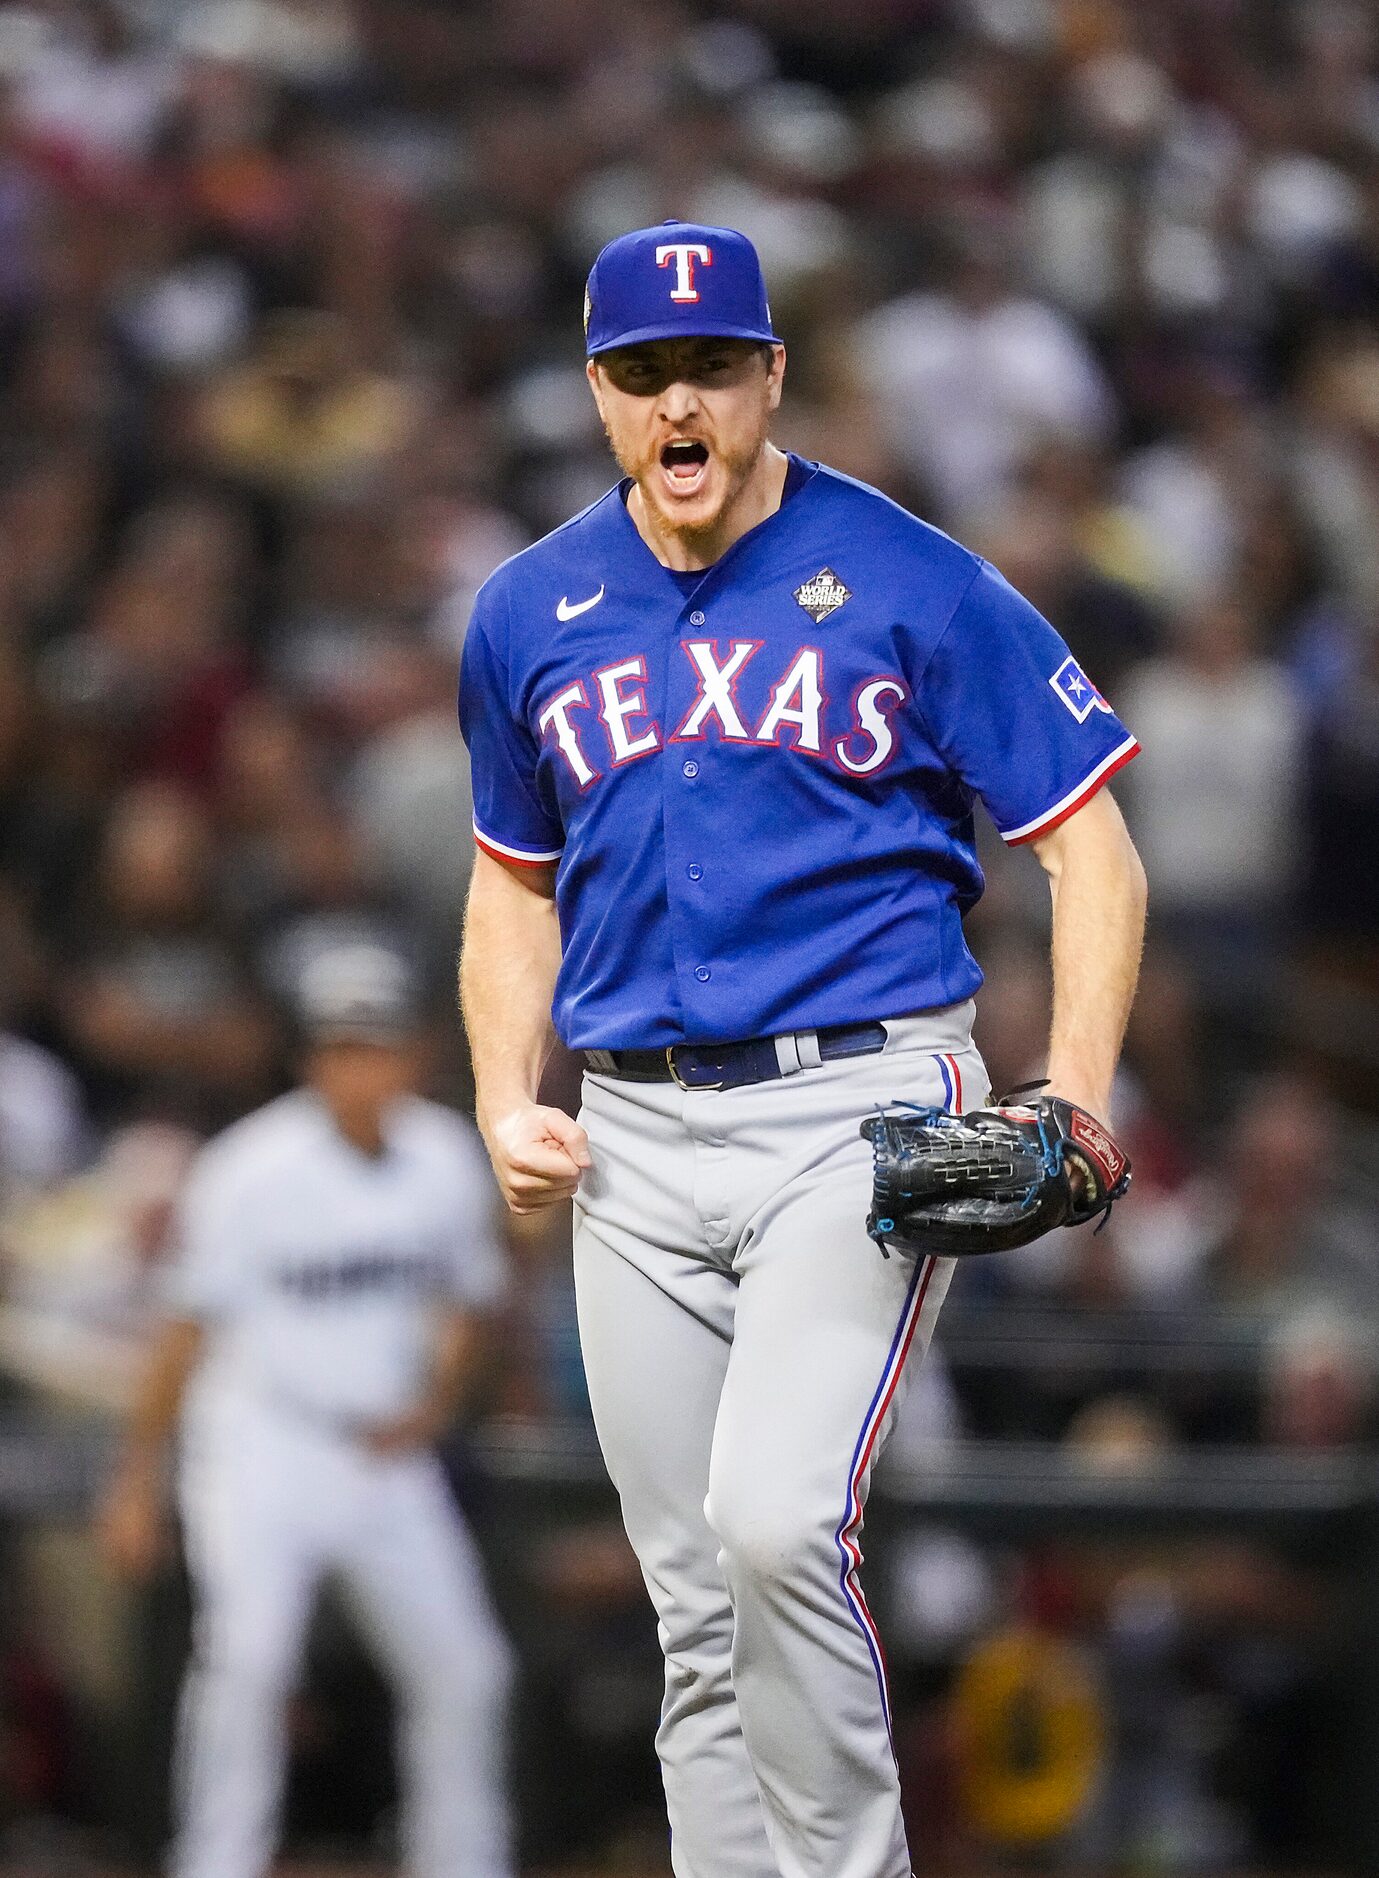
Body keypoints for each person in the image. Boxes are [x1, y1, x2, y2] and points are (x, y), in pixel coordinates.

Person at [458, 220, 1148, 1878]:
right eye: (640, 374)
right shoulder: (525, 608)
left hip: (858, 1104)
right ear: (596, 393)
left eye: (708, 367)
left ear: (769, 377)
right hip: (627, 1126)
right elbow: (504, 887)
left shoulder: (907, 575)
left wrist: (1071, 1083)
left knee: (774, 1520)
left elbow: (1091, 847)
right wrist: (500, 1094)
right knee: (692, 1604)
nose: (674, 403)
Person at [99, 942, 514, 1878]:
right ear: (309, 1056)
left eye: (372, 1041)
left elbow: (470, 1301)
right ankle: (216, 1863)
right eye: (338, 1043)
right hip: (262, 1443)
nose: (355, 1062)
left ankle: (466, 1862)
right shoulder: (249, 1169)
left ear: (411, 1051)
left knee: (467, 1670)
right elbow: (181, 1334)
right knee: (248, 1664)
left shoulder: (443, 1156)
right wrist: (134, 1480)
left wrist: (434, 1406)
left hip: (383, 1454)